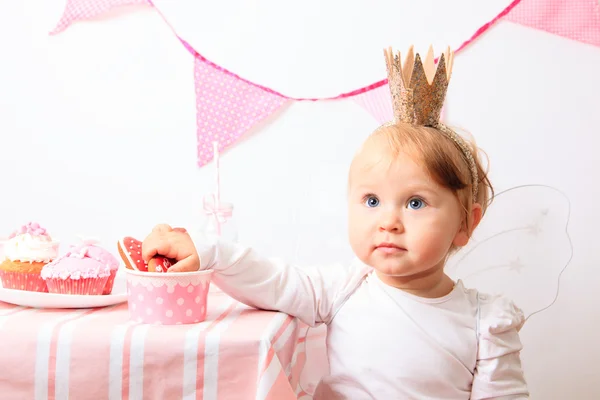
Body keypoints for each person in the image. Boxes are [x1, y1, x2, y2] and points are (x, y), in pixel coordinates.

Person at [142, 45, 529, 399]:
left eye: (415, 202)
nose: (389, 221)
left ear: (465, 223)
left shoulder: (485, 325)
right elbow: (272, 280)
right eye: (372, 200)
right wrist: (207, 250)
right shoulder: (345, 288)